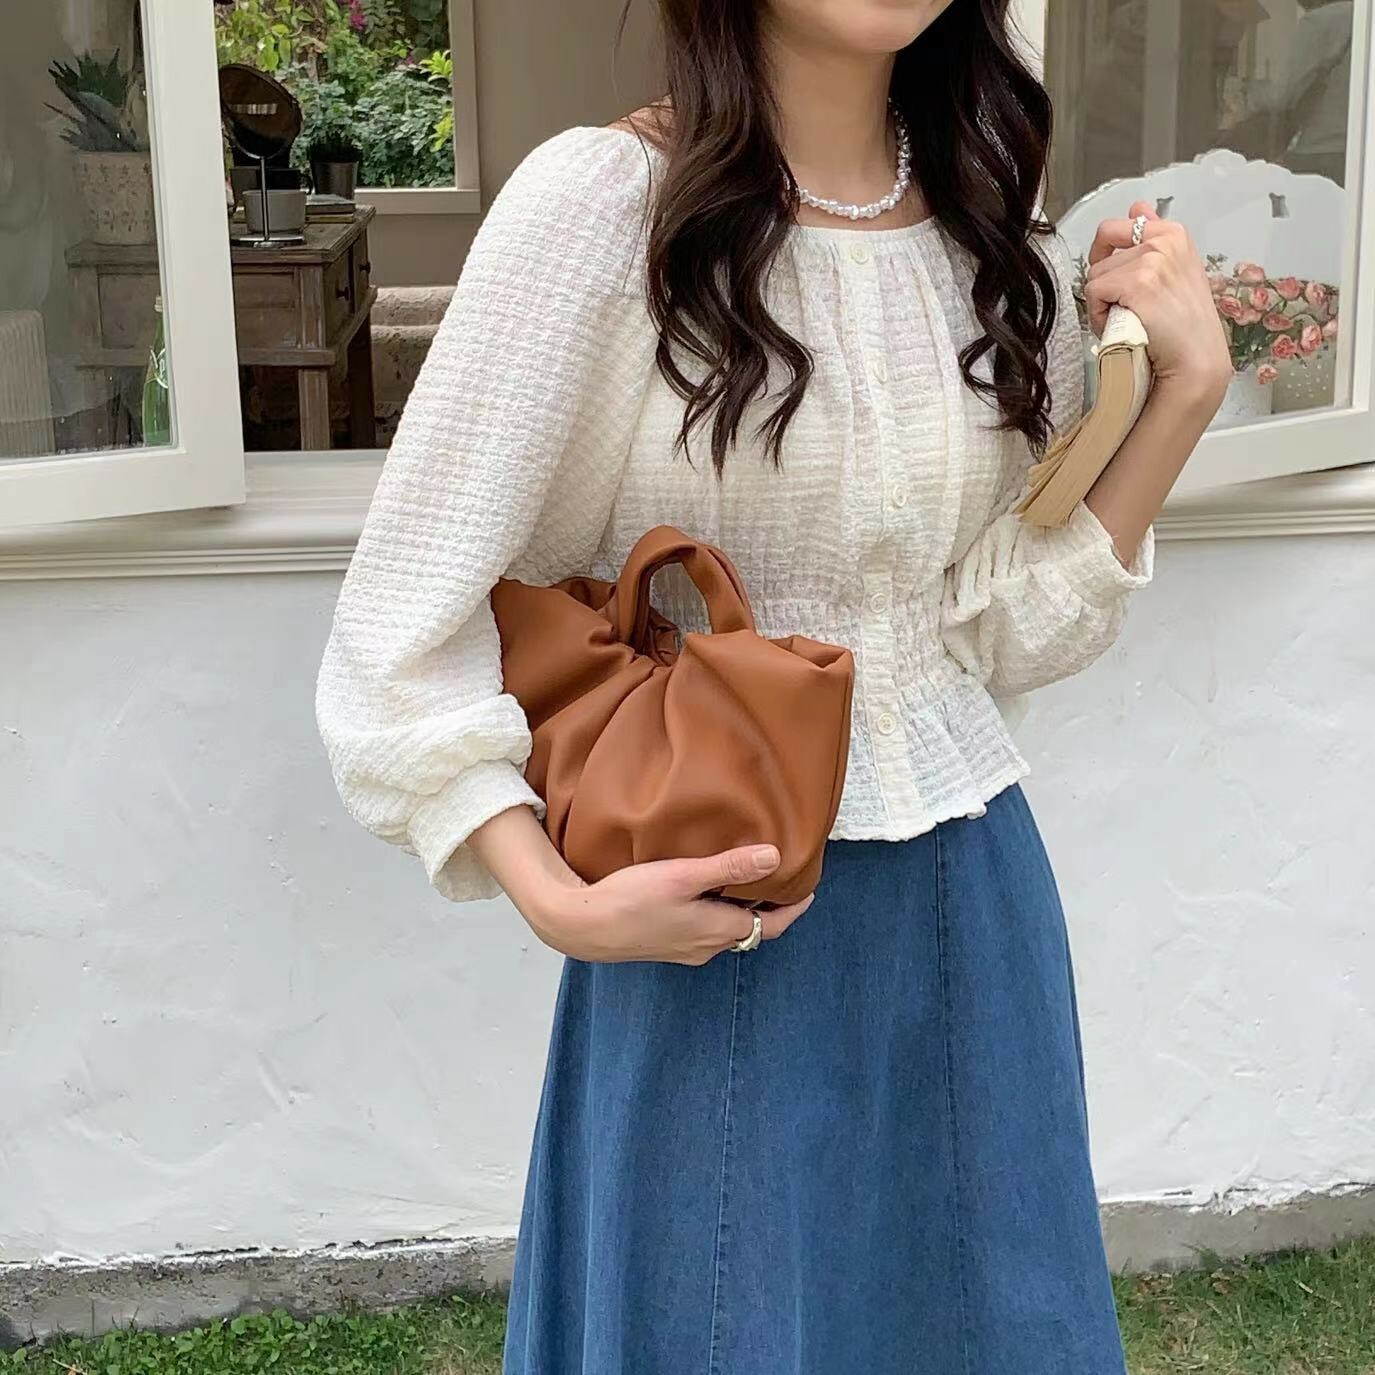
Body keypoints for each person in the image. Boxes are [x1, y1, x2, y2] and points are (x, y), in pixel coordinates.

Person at [315, 1, 1230, 1369]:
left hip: (970, 906)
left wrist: (1183, 398)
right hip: (714, 912)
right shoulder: (604, 211)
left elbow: (994, 636)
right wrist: (554, 896)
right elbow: (405, 621)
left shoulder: (992, 231)